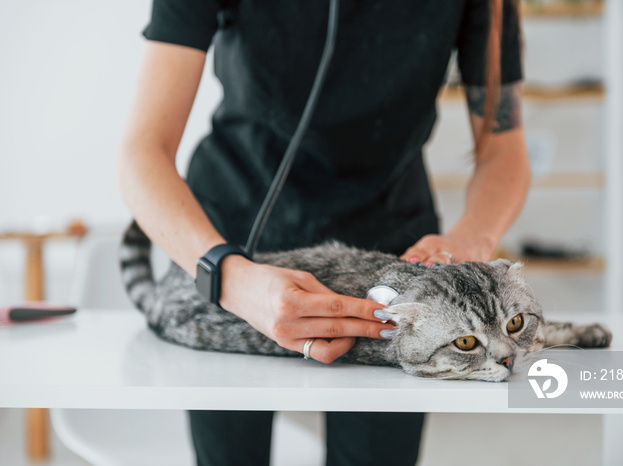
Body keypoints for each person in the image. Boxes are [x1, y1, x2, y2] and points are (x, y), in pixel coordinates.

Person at [116, 0, 529, 465]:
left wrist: (472, 239)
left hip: (398, 268)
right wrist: (227, 277)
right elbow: (142, 151)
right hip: (236, 254)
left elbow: (503, 148)